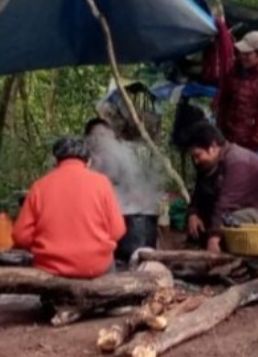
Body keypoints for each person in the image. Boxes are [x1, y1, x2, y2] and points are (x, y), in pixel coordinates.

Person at [13, 136, 126, 278]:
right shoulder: (102, 183)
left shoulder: (39, 186)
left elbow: (20, 236)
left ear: (56, 161)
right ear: (88, 161)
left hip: (50, 268)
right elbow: (117, 230)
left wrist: (44, 243)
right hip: (95, 266)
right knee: (110, 264)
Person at [183, 121, 258, 253]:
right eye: (193, 157)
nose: (196, 161)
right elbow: (199, 194)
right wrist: (193, 213)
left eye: (198, 156)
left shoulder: (237, 161)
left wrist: (214, 237)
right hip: (250, 210)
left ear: (213, 147)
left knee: (230, 222)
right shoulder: (209, 166)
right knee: (206, 220)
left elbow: (226, 203)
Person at [84, 118, 162, 266]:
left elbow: (133, 184)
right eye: (97, 135)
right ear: (88, 139)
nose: (101, 140)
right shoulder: (84, 161)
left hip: (119, 216)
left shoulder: (121, 158)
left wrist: (138, 198)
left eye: (104, 135)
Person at [213, 30, 258, 160]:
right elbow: (225, 101)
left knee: (251, 178)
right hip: (230, 139)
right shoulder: (236, 71)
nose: (242, 56)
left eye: (248, 54)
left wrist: (253, 143)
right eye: (242, 52)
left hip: (255, 146)